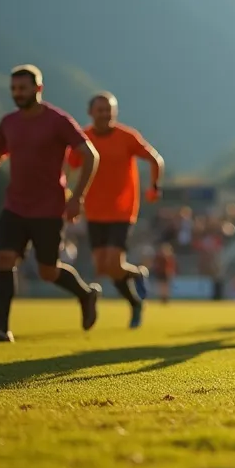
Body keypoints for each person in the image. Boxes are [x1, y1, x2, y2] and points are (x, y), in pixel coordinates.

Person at [0, 65, 103, 342]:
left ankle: (85, 293)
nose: (17, 93)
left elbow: (91, 155)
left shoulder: (58, 120)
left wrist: (77, 197)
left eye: (23, 88)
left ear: (38, 88)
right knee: (4, 259)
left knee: (48, 271)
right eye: (14, 89)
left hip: (48, 209)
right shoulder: (9, 123)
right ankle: (1, 328)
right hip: (15, 206)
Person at [67, 92, 164, 329]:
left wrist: (154, 186)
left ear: (115, 112)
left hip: (122, 210)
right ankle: (136, 292)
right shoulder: (84, 138)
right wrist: (70, 196)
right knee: (103, 267)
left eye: (109, 110)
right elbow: (71, 165)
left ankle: (135, 295)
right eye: (100, 110)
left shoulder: (127, 137)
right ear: (91, 113)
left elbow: (155, 159)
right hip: (94, 210)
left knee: (112, 261)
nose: (105, 114)